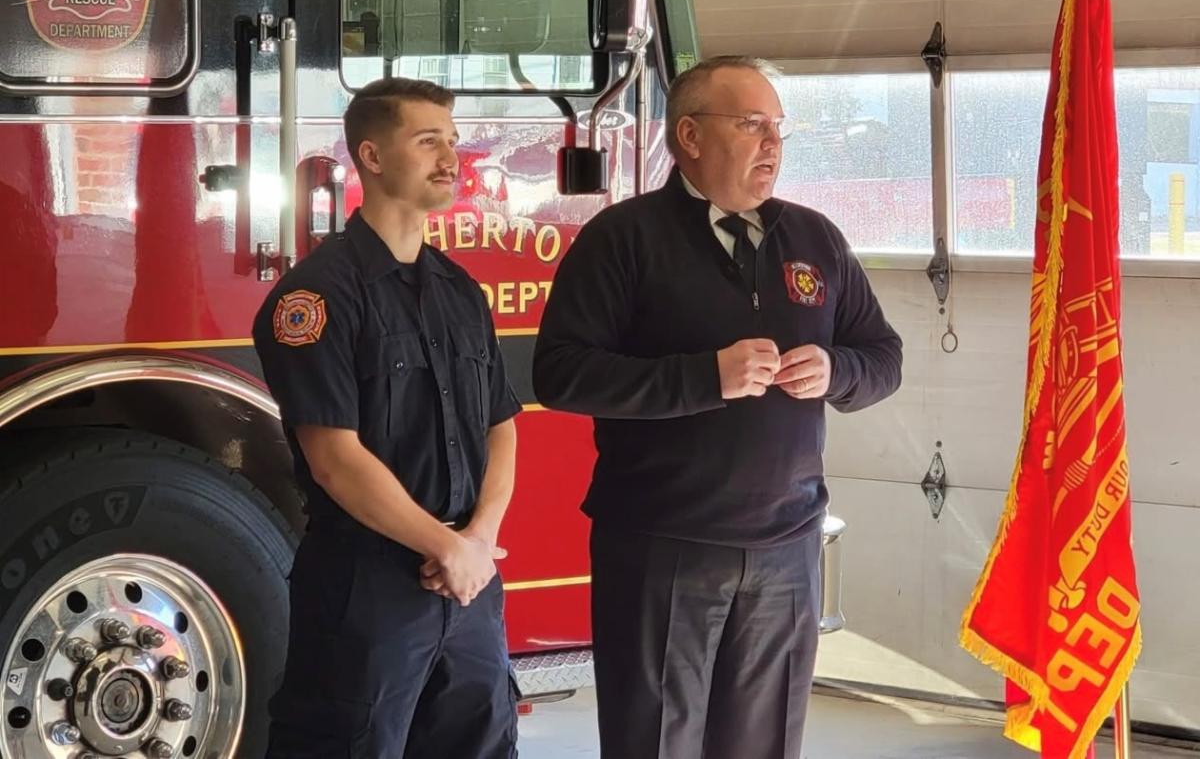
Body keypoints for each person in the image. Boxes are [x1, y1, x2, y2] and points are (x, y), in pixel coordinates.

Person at [533, 55, 902, 759]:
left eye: (779, 127)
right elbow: (562, 374)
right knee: (656, 739)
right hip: (663, 544)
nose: (773, 143)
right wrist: (703, 378)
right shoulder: (623, 239)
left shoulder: (814, 239)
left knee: (763, 743)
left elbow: (883, 356)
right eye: (752, 123)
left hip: (786, 545)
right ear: (691, 137)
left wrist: (836, 369)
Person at [253, 77, 522, 758]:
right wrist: (445, 546)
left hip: (469, 582)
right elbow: (334, 459)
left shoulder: (460, 290)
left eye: (454, 141)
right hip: (368, 586)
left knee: (482, 743)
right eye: (428, 140)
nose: (450, 159)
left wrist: (478, 541)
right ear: (371, 157)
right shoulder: (314, 297)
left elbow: (501, 425)